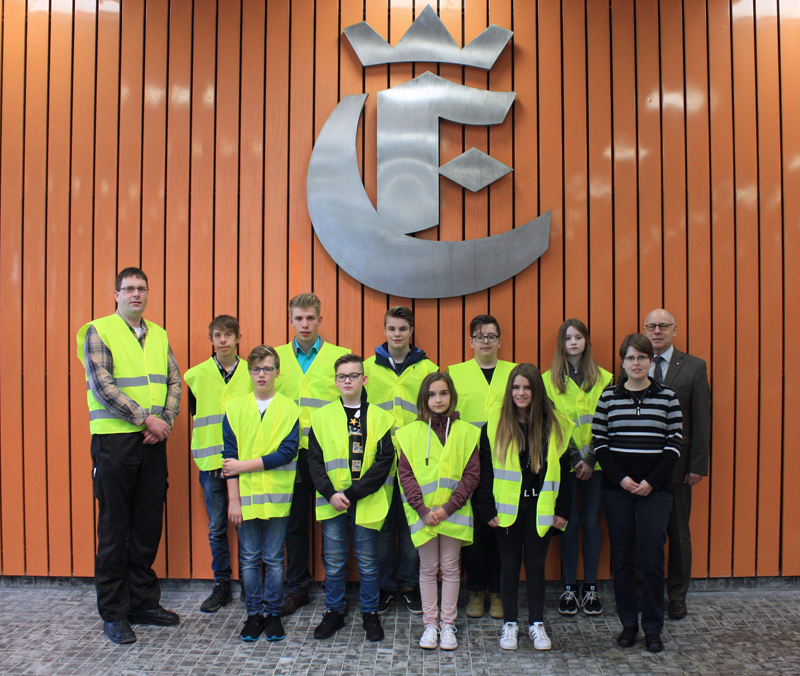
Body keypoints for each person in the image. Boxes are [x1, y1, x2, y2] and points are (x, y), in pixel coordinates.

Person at [76, 267, 181, 644]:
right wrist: (146, 420)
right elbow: (102, 385)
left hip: (154, 442)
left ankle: (143, 602)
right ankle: (114, 612)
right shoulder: (98, 330)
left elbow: (174, 380)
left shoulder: (159, 334)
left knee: (147, 527)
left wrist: (165, 420)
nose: (136, 294)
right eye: (129, 289)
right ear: (116, 294)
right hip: (115, 443)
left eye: (142, 289)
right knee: (114, 530)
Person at [472, 363, 573, 652]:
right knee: (509, 567)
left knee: (536, 567)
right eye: (516, 387)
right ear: (509, 390)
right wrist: (486, 509)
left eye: (527, 387)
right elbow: (486, 471)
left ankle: (537, 624)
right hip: (507, 510)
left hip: (541, 509)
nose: (521, 393)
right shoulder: (493, 422)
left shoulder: (557, 424)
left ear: (536, 391)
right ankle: (511, 624)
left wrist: (563, 511)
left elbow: (563, 472)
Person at [593, 333, 682, 653]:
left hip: (655, 493)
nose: (636, 363)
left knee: (653, 561)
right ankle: (629, 625)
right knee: (623, 560)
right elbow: (600, 443)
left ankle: (653, 628)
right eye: (630, 358)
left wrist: (651, 482)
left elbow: (674, 444)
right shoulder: (609, 398)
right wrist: (623, 480)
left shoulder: (668, 397)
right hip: (618, 492)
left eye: (642, 357)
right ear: (622, 362)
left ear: (650, 361)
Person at [308, 354, 395, 642]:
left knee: (369, 561)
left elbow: (384, 462)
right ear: (335, 381)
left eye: (354, 375)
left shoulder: (381, 417)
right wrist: (332, 494)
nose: (348, 381)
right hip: (331, 502)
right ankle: (334, 611)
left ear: (364, 379)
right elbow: (315, 462)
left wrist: (352, 493)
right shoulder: (320, 417)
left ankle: (370, 613)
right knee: (333, 561)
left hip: (366, 501)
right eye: (342, 376)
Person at [274, 293, 350, 616]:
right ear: (290, 320)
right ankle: (298, 588)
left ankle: (336, 591)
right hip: (289, 453)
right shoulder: (275, 358)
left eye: (310, 318)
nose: (304, 324)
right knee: (293, 524)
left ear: (320, 319)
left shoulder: (339, 357)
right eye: (298, 318)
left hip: (326, 455)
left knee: (331, 522)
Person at [396, 372, 480, 650]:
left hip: (453, 513)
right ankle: (430, 625)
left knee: (452, 568)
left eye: (443, 393)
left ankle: (448, 625)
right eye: (432, 394)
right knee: (428, 569)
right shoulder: (409, 433)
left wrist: (446, 508)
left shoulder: (467, 432)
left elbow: (471, 475)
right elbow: (405, 475)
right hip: (424, 516)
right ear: (424, 398)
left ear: (451, 396)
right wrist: (422, 510)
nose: (438, 399)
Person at [222, 345, 300, 642]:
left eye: (268, 368)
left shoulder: (289, 408)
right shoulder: (234, 407)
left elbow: (288, 452)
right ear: (249, 372)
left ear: (277, 372)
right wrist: (233, 500)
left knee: (275, 558)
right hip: (244, 499)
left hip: (277, 498)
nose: (262, 374)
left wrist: (244, 465)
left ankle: (273, 614)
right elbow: (228, 458)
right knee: (251, 558)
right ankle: (254, 615)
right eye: (256, 369)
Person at [364, 306, 438, 616]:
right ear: (384, 330)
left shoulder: (427, 368)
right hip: (378, 460)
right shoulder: (367, 367)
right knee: (381, 528)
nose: (397, 334)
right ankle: (384, 587)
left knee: (411, 526)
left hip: (414, 460)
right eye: (392, 328)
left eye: (402, 329)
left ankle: (408, 585)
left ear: (411, 332)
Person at [446, 314, 515, 619]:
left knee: (500, 529)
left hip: (506, 462)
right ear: (470, 341)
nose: (485, 341)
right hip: (467, 462)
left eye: (491, 336)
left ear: (500, 341)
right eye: (479, 336)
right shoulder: (455, 373)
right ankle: (475, 591)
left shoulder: (515, 373)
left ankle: (498, 592)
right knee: (471, 530)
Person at [643, 309, 710, 620]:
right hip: (641, 465)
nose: (657, 331)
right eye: (651, 326)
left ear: (674, 330)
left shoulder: (694, 367)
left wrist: (697, 463)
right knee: (644, 533)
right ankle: (646, 593)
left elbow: (701, 419)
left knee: (678, 533)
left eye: (663, 326)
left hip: (679, 466)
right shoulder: (634, 363)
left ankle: (678, 595)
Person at [184, 315, 253, 613]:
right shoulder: (196, 375)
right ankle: (221, 585)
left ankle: (250, 587)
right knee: (217, 527)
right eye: (217, 335)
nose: (223, 340)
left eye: (229, 335)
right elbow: (194, 413)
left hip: (243, 463)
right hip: (210, 462)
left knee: (245, 527)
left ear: (239, 337)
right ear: (210, 339)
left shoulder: (253, 373)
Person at [543, 319, 612, 616]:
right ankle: (569, 586)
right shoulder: (548, 380)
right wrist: (574, 459)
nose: (573, 342)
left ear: (586, 341)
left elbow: (608, 421)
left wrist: (592, 458)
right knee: (568, 524)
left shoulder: (605, 378)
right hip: (565, 464)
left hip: (596, 465)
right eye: (568, 337)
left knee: (592, 523)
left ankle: (591, 587)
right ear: (561, 343)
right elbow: (552, 424)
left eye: (579, 337)